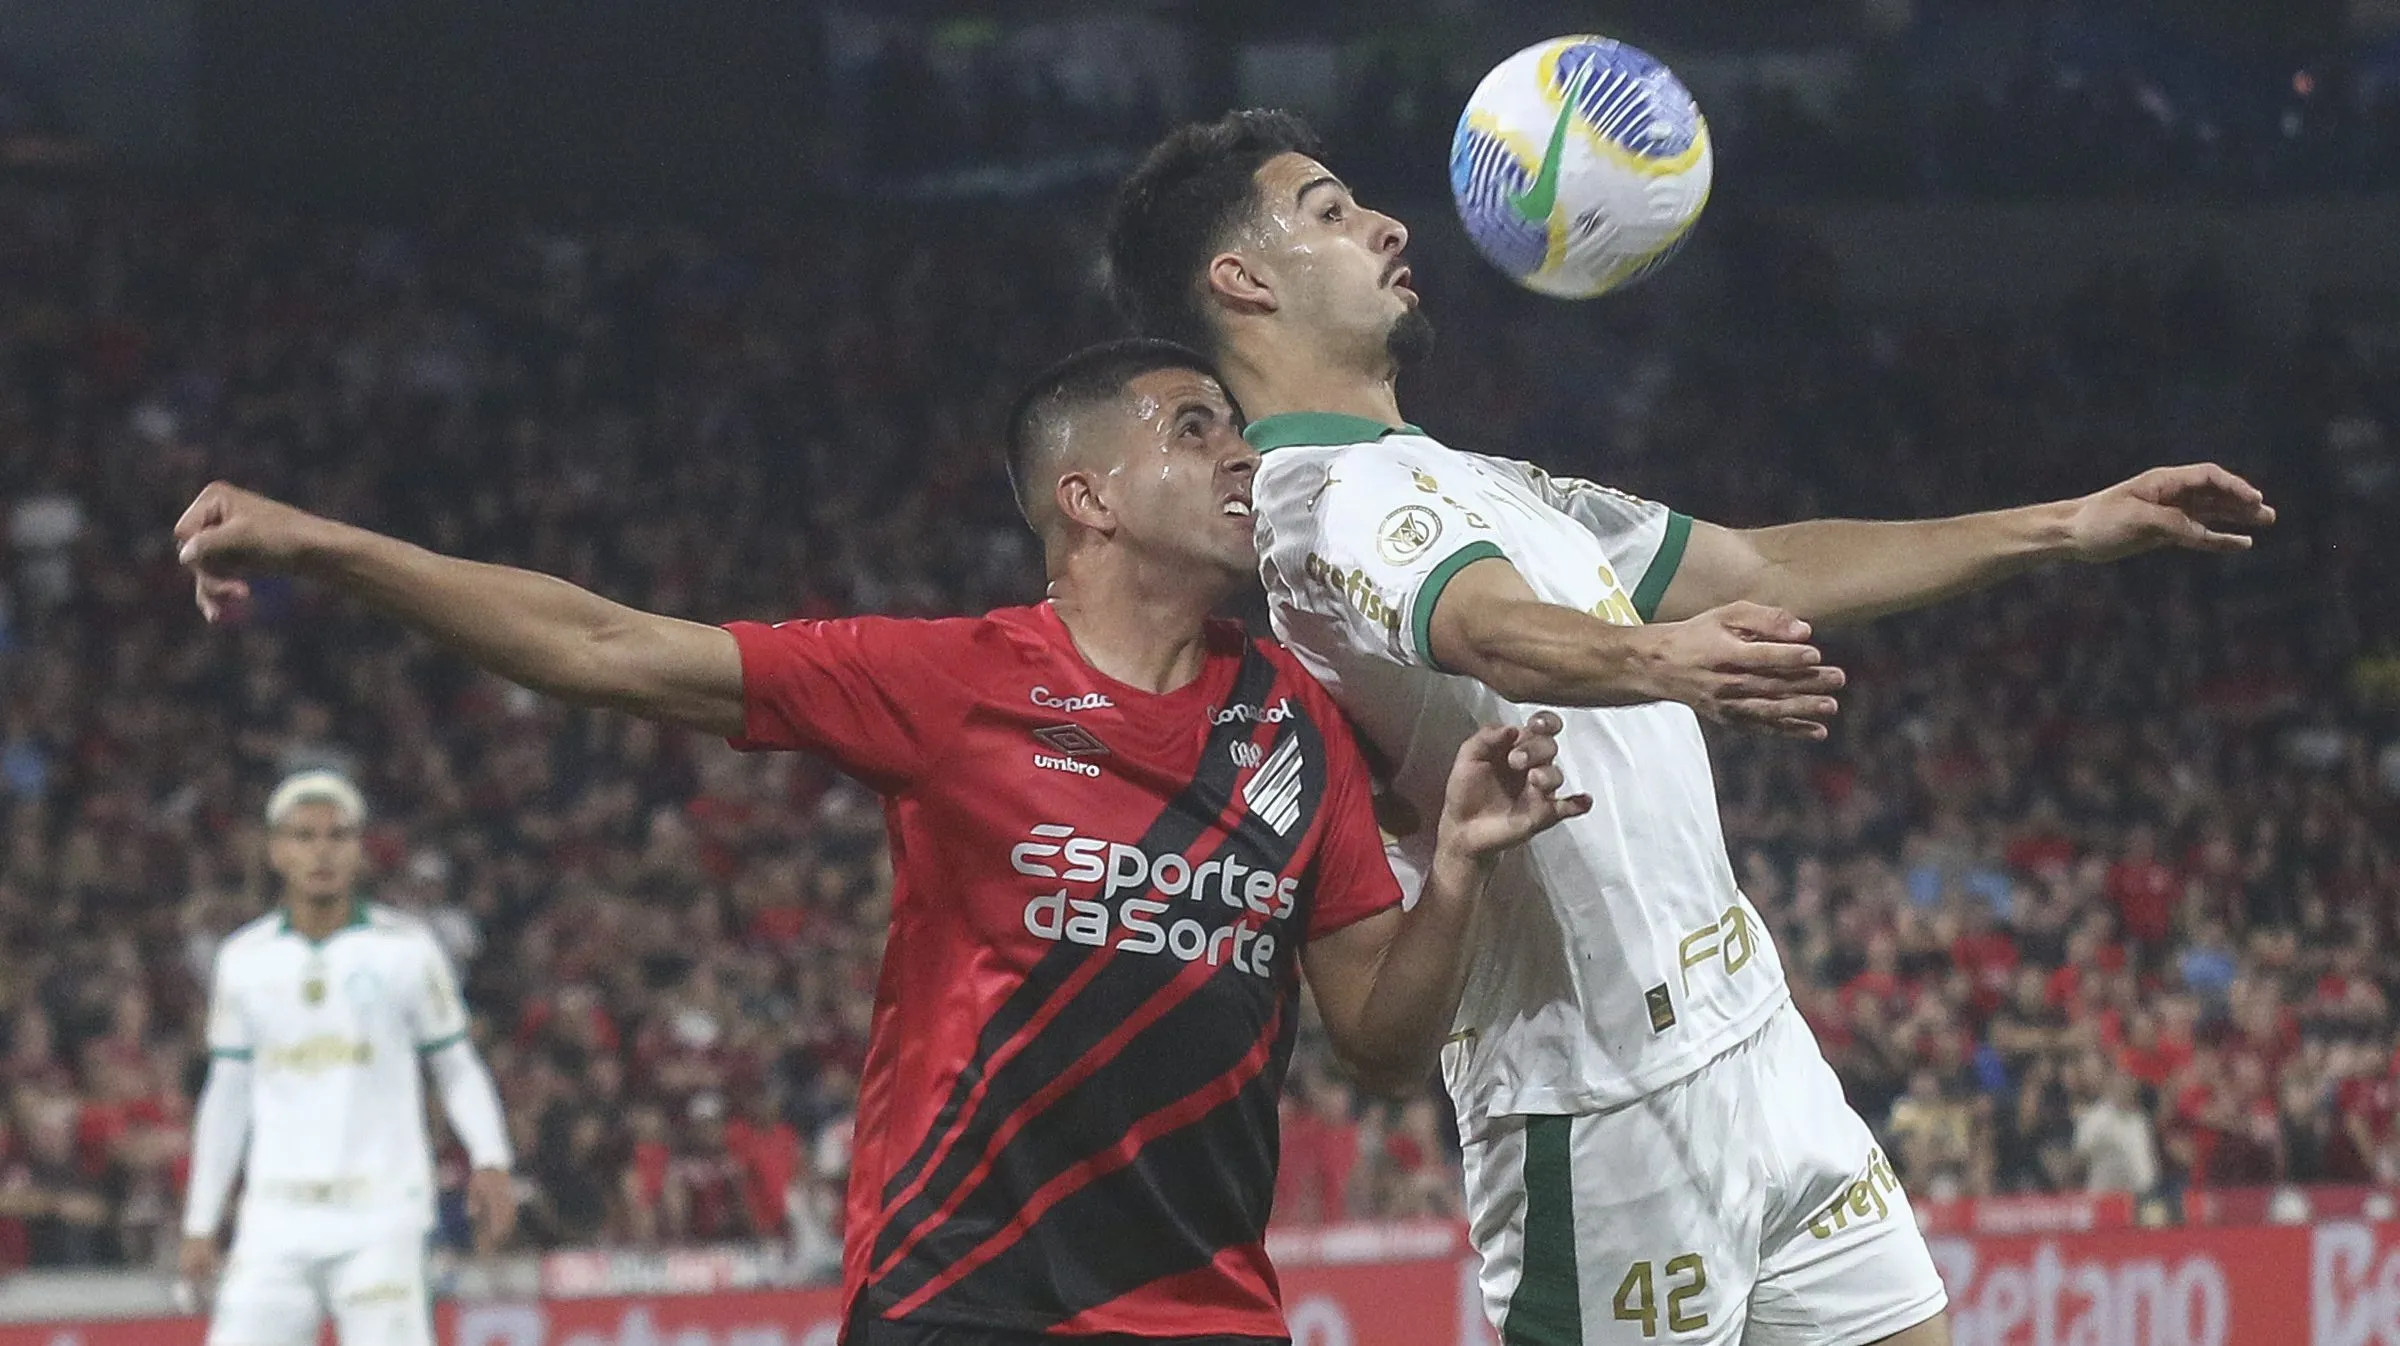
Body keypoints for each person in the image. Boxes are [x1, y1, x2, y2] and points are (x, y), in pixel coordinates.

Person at [1106, 110, 2277, 1346]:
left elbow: (1761, 561)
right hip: (1597, 1103)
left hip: (1758, 1042)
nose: (1389, 225)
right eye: (1331, 213)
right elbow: (1487, 627)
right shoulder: (1316, 503)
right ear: (1241, 281)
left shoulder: (1493, 483)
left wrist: (2066, 524)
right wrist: (1654, 657)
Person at [171, 338, 1589, 1345]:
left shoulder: (1296, 721)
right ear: (1085, 499)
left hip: (1205, 1308)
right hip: (960, 1295)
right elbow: (605, 647)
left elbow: (1386, 1045)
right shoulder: (950, 680)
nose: (1243, 454)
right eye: (1195, 427)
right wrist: (329, 550)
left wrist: (1455, 867)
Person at [179, 769, 516, 1346]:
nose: (322, 851)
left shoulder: (406, 949)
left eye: (338, 836)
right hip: (275, 1219)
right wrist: (200, 1221)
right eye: (304, 836)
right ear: (276, 850)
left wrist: (491, 1158)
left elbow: (455, 1063)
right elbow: (226, 1096)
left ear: (359, 850)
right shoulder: (243, 961)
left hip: (382, 1216)